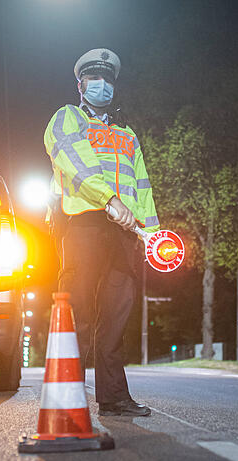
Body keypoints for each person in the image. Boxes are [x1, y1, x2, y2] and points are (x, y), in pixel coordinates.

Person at [43, 48, 160, 417]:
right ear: (80, 85)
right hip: (86, 225)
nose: (102, 85)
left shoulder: (128, 135)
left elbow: (142, 187)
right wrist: (109, 200)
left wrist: (154, 235)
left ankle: (113, 398)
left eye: (108, 79)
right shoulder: (67, 118)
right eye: (94, 79)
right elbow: (74, 162)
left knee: (116, 317)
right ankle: (65, 398)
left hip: (126, 234)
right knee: (76, 310)